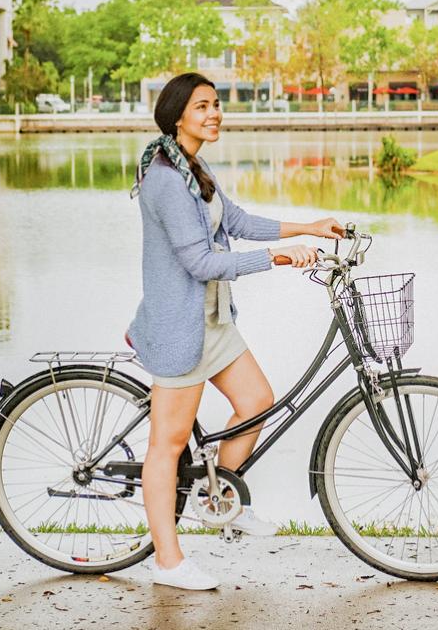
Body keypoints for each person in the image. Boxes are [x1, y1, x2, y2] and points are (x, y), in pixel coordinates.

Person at [125, 72, 344, 591]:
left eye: (217, 104)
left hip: (214, 322)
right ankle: (168, 562)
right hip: (180, 330)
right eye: (203, 106)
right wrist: (277, 259)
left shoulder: (193, 166)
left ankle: (217, 499)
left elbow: (238, 222)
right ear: (178, 114)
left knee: (257, 402)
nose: (215, 113)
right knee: (167, 445)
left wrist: (308, 226)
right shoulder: (164, 178)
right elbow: (201, 262)